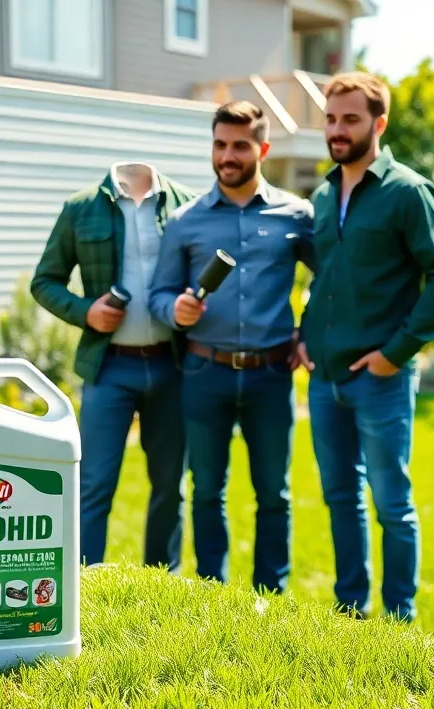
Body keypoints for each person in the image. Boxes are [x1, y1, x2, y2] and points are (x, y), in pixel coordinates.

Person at [296, 72, 434, 622]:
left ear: (379, 123)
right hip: (325, 381)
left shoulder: (408, 193)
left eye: (350, 118)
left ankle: (400, 623)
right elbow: (324, 277)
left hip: (381, 380)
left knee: (393, 506)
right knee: (340, 499)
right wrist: (305, 332)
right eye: (330, 118)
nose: (338, 130)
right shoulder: (323, 195)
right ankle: (351, 614)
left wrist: (397, 352)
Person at [148, 101, 314, 595]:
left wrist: (307, 331)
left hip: (270, 375)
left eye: (240, 145)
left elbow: (328, 284)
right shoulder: (184, 221)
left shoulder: (297, 215)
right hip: (205, 373)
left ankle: (271, 596)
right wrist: (172, 310)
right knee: (206, 493)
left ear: (262, 148)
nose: (228, 155)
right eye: (220, 145)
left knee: (274, 495)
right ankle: (212, 594)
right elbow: (159, 294)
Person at [30, 161, 198, 571]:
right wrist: (86, 311)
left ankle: (164, 583)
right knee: (93, 484)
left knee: (171, 487)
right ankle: (85, 585)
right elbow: (44, 281)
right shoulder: (81, 208)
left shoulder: (185, 206)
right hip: (109, 369)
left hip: (171, 367)